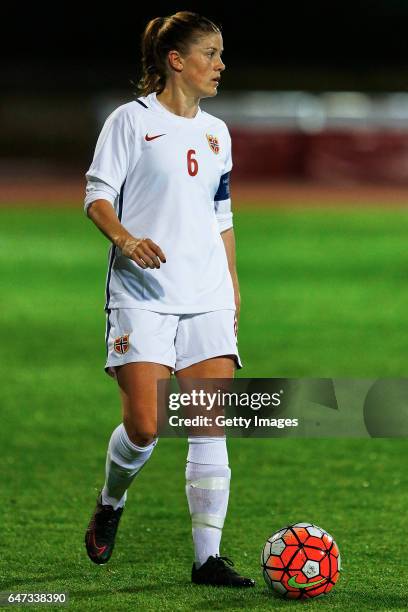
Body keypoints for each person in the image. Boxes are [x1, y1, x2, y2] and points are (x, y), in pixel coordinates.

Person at [83, 11, 254, 588]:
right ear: (175, 60)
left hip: (205, 293)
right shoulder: (129, 122)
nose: (220, 64)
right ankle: (111, 500)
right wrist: (125, 240)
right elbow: (97, 198)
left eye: (221, 52)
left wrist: (231, 283)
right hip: (144, 295)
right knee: (146, 425)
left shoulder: (218, 133)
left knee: (209, 423)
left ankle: (208, 558)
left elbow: (221, 215)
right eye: (210, 52)